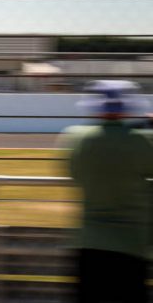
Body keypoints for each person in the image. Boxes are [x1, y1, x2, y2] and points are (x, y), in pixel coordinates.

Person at [60, 80, 153, 303]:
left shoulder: (76, 138)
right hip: (131, 247)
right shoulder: (142, 142)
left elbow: (74, 171)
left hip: (88, 245)